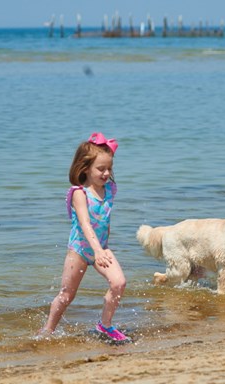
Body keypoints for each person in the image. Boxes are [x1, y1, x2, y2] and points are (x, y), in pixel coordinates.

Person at [38, 132, 129, 342]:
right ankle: (47, 330)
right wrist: (96, 251)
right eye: (101, 169)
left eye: (109, 168)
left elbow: (104, 220)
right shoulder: (80, 193)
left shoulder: (110, 190)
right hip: (80, 250)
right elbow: (85, 224)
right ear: (85, 168)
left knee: (119, 283)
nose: (106, 173)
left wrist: (101, 248)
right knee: (67, 295)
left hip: (101, 248)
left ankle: (104, 325)